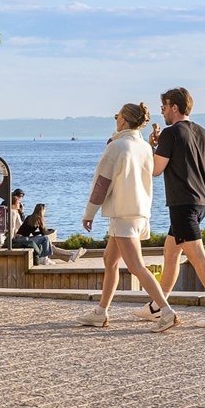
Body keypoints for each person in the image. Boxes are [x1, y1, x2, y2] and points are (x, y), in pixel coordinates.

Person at [75, 102, 180, 329]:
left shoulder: (117, 147)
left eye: (117, 116)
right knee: (110, 260)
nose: (116, 119)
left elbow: (102, 184)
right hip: (139, 211)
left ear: (123, 120)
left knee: (136, 266)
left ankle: (166, 312)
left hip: (123, 213)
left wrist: (89, 213)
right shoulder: (143, 147)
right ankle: (100, 312)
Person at [139, 86, 205, 326]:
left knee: (198, 257)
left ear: (175, 107)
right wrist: (196, 183)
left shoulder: (170, 133)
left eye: (164, 107)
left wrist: (152, 147)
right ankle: (157, 306)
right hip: (201, 202)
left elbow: (156, 170)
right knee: (170, 254)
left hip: (182, 205)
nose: (162, 111)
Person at [7, 189, 82, 265]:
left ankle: (71, 255)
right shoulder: (15, 213)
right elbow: (44, 233)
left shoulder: (30, 217)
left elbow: (32, 231)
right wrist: (52, 231)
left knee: (47, 243)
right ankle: (45, 258)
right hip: (21, 239)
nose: (20, 204)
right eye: (18, 202)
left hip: (23, 237)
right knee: (45, 239)